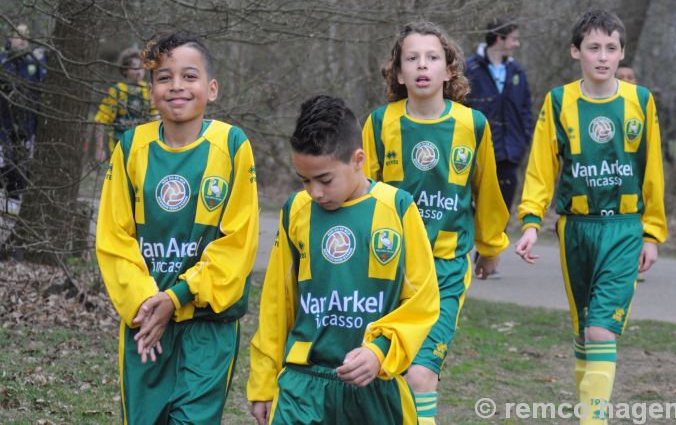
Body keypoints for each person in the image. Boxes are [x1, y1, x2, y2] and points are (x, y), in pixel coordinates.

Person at [95, 32, 259, 424]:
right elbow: (114, 238)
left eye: (189, 76)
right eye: (164, 78)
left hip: (206, 325)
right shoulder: (132, 147)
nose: (177, 87)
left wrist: (179, 296)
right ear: (150, 90)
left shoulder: (233, 145)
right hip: (146, 322)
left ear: (211, 88)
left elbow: (238, 241)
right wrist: (146, 304)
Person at [248, 95, 438, 425]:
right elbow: (277, 303)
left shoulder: (397, 208)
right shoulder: (296, 211)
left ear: (358, 159)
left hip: (374, 387)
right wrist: (263, 383)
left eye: (324, 180)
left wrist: (379, 352)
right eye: (304, 180)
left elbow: (422, 301)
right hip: (302, 385)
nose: (315, 192)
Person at [515, 10, 667, 424]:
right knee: (584, 332)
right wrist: (531, 223)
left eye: (611, 48)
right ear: (575, 51)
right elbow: (541, 169)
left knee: (602, 330)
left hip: (623, 227)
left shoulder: (640, 101)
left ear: (622, 53)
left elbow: (652, 170)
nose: (603, 56)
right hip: (575, 229)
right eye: (594, 47)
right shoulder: (559, 101)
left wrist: (652, 232)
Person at [362, 21, 511, 424]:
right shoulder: (380, 124)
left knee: (421, 374)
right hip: (389, 271)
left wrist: (491, 246)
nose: (422, 65)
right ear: (397, 72)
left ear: (449, 71)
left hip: (444, 271)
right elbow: (362, 198)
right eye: (412, 58)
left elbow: (488, 193)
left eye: (432, 57)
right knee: (383, 374)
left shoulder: (471, 125)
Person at [465, 18, 534, 278]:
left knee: (501, 208)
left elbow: (526, 107)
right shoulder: (469, 69)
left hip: (509, 152)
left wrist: (523, 138)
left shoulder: (517, 72)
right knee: (469, 205)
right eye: (513, 38)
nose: (517, 43)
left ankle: (487, 255)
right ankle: (462, 251)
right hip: (476, 152)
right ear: (499, 39)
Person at [0, 23, 47, 214]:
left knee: (20, 164)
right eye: (18, 35)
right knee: (4, 161)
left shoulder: (34, 62)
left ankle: (14, 199)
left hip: (25, 126)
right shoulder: (2, 60)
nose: (22, 40)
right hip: (3, 123)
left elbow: (40, 92)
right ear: (10, 36)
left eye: (26, 36)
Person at [94, 47, 157, 163]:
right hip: (119, 149)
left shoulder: (148, 90)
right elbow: (101, 120)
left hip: (143, 150)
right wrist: (99, 149)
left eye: (141, 67)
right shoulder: (117, 91)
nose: (139, 71)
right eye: (134, 68)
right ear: (125, 70)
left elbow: (155, 119)